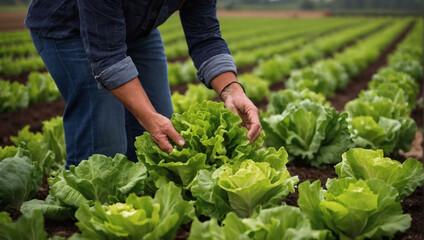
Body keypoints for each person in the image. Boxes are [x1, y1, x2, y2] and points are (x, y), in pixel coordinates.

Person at [24, 0, 262, 168]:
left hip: (134, 27)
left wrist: (232, 90)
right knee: (105, 148)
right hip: (69, 28)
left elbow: (206, 36)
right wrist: (146, 115)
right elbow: (107, 55)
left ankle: (137, 210)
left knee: (159, 139)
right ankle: (92, 213)